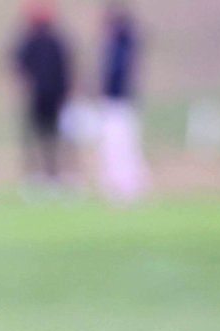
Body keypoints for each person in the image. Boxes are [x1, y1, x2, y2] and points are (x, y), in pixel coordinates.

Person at [10, 2, 73, 188]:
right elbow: (18, 63)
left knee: (51, 138)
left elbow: (64, 69)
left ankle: (52, 175)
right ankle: (38, 176)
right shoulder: (35, 40)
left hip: (51, 97)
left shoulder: (51, 41)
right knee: (39, 138)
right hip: (40, 97)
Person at [97, 2, 149, 202]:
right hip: (118, 100)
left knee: (120, 145)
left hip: (118, 100)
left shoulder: (122, 43)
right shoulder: (122, 43)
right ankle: (121, 184)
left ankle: (126, 186)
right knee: (117, 144)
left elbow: (116, 72)